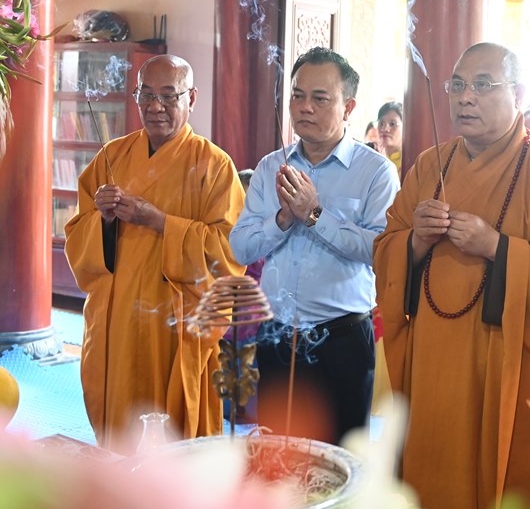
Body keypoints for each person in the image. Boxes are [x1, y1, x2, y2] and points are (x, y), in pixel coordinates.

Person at [373, 42, 530, 509]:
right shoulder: (429, 165)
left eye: (483, 85)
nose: (465, 97)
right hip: (432, 364)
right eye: (457, 85)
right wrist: (416, 241)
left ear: (519, 94)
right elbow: (386, 251)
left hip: (508, 367)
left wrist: (496, 247)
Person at [64, 54, 246, 452]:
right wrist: (103, 219)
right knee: (119, 435)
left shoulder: (214, 166)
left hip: (174, 325)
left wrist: (161, 222)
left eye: (168, 96)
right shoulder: (112, 156)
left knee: (174, 443)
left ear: (191, 98)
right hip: (118, 321)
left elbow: (229, 253)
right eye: (145, 95)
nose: (155, 106)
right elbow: (77, 235)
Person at [229, 47, 400, 445]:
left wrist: (315, 215)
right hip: (276, 337)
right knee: (276, 455)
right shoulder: (270, 167)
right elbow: (240, 248)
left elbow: (380, 251)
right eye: (297, 95)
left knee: (340, 460)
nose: (304, 107)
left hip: (341, 341)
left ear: (348, 107)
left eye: (320, 98)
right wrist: (282, 221)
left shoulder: (375, 173)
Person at [377, 101, 403, 172]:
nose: (384, 129)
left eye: (392, 124)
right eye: (381, 123)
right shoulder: (372, 156)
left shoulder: (410, 161)